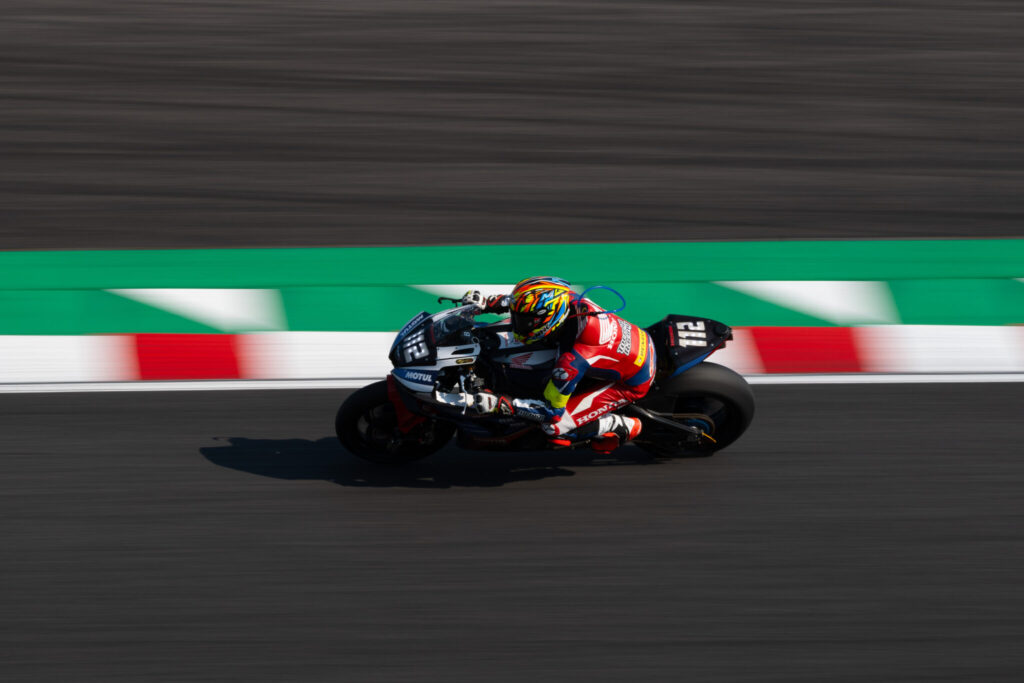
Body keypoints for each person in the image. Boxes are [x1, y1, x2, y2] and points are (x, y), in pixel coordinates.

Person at [460, 276, 655, 452]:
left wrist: (504, 404)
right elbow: (524, 302)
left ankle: (621, 425)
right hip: (637, 342)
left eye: (526, 321)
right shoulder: (564, 298)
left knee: (554, 428)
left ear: (551, 318)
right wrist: (488, 303)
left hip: (633, 381)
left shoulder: (572, 361)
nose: (519, 324)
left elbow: (550, 412)